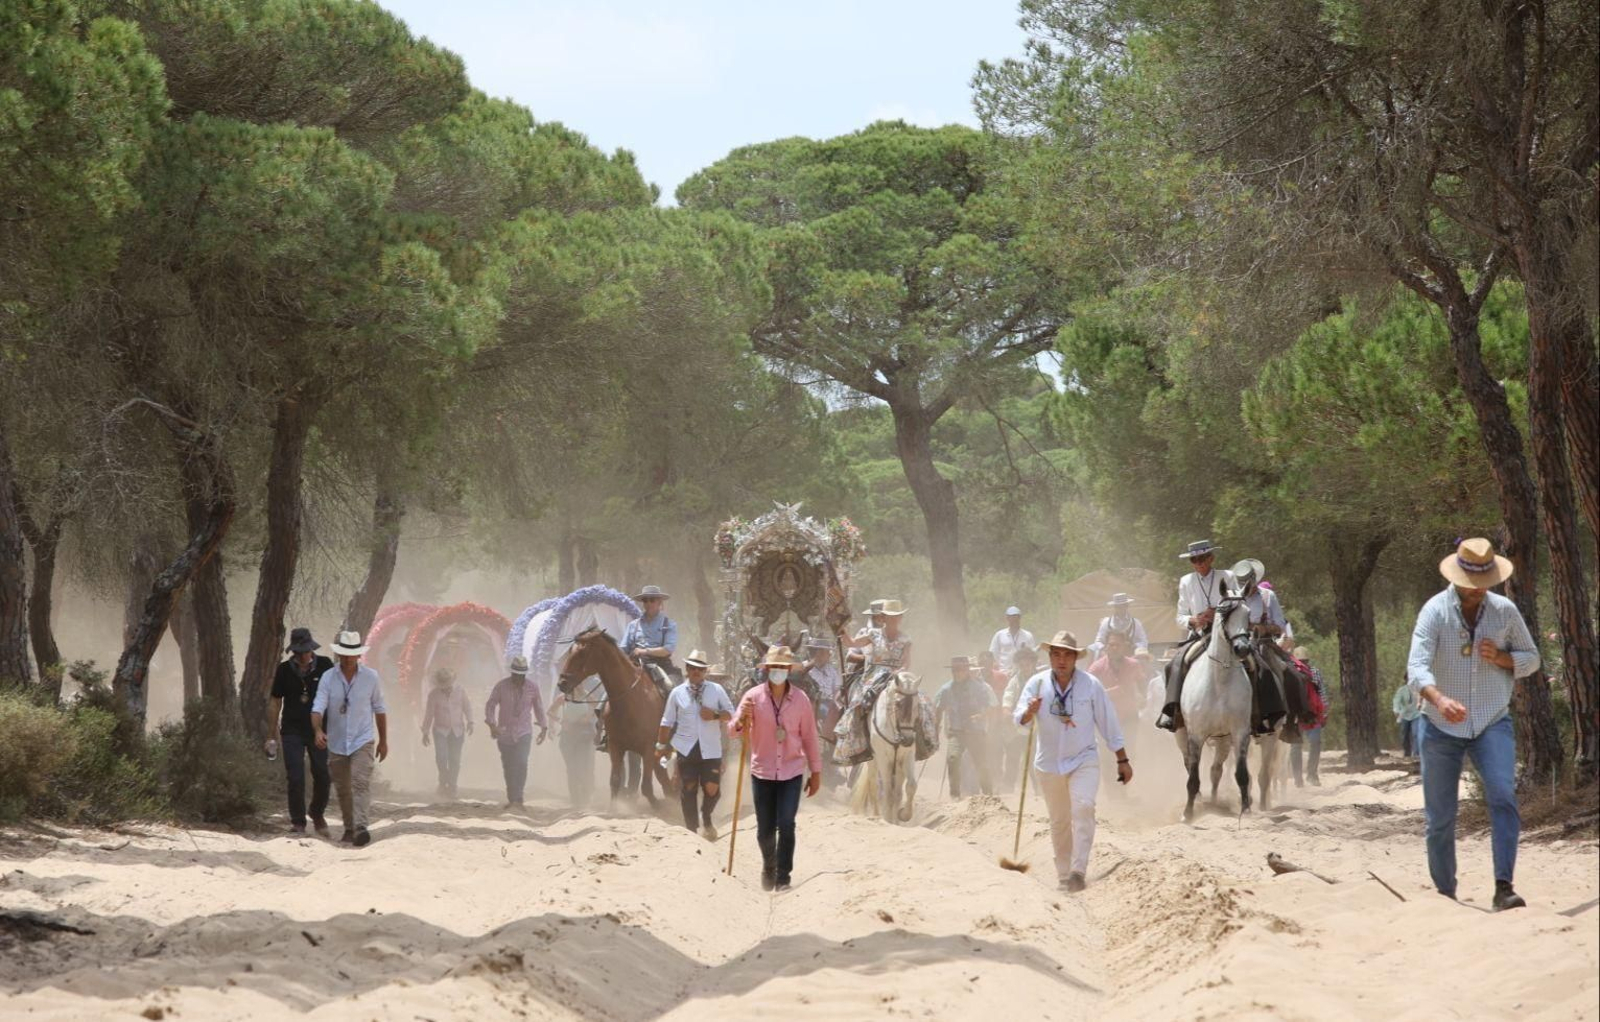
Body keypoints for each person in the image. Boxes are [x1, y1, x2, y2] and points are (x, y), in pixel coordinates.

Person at [1407, 537, 1539, 911]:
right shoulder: (1434, 611)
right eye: (1471, 582)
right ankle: (1445, 893)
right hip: (1437, 725)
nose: (1478, 590)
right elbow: (1416, 665)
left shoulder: (1505, 611)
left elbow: (1532, 658)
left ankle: (1504, 887)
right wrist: (1439, 698)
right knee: (1440, 817)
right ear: (1457, 576)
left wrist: (1502, 658)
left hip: (1491, 720)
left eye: (1484, 582)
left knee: (1503, 796)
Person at [1014, 631, 1133, 893]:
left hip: (1084, 759)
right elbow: (1018, 718)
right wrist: (1028, 712)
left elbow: (1108, 721)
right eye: (1056, 654)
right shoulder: (1036, 684)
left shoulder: (1091, 685)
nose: (1061, 660)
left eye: (1067, 654)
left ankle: (1079, 870)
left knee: (1083, 806)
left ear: (1076, 658)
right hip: (1048, 764)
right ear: (1049, 656)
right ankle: (1063, 873)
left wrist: (1121, 758)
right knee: (1058, 821)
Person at [730, 645, 822, 892]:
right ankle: (768, 866)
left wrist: (816, 771)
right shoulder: (752, 697)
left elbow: (810, 737)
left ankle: (783, 877)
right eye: (775, 667)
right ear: (767, 669)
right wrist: (741, 719)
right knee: (764, 829)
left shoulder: (801, 700)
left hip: (792, 770)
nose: (779, 671)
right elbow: (732, 730)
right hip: (762, 772)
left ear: (789, 670)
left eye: (783, 667)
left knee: (787, 823)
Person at [310, 629, 389, 847]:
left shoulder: (371, 677)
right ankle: (348, 827)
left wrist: (383, 740)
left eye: (350, 654)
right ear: (338, 655)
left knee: (360, 782)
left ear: (358, 655)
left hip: (362, 739)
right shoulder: (328, 677)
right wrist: (317, 730)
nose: (347, 658)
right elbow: (318, 707)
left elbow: (380, 709)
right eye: (343, 654)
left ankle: (361, 826)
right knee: (343, 788)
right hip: (336, 741)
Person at [1157, 540, 1239, 731]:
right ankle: (1172, 712)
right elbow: (1180, 616)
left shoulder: (1227, 576)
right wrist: (1193, 620)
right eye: (1194, 560)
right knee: (1173, 665)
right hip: (1199, 635)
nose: (1198, 563)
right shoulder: (1186, 581)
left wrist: (1218, 612)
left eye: (1202, 558)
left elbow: (1238, 605)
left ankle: (1261, 713)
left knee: (1255, 662)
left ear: (1211, 558)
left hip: (1226, 634)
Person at [656, 649, 735, 838]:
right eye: (692, 668)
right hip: (686, 749)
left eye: (700, 668)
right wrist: (660, 746)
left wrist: (715, 715)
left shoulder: (716, 690)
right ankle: (691, 830)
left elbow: (732, 713)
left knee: (712, 788)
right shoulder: (676, 693)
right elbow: (667, 721)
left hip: (711, 749)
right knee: (689, 787)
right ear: (687, 669)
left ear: (705, 671)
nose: (696, 672)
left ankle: (706, 818)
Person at [267, 627, 333, 836]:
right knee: (295, 775)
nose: (303, 655)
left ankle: (317, 811)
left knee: (322, 773)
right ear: (293, 651)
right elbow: (276, 701)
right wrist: (271, 733)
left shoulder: (325, 666)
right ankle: (298, 821)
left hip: (320, 729)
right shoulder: (284, 670)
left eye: (306, 650)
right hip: (292, 728)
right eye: (298, 651)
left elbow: (335, 695)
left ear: (311, 649)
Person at [484, 655, 549, 809]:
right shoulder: (501, 686)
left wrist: (544, 727)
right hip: (504, 733)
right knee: (509, 765)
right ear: (511, 673)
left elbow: (539, 707)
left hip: (524, 732)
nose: (518, 677)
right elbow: (491, 705)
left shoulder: (532, 687)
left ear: (524, 673)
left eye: (521, 674)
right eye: (516, 673)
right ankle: (512, 797)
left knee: (521, 762)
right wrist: (492, 725)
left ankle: (518, 798)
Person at [934, 656, 997, 797]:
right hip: (956, 732)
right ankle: (955, 794)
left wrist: (980, 716)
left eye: (961, 669)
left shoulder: (979, 687)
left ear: (967, 670)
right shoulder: (946, 689)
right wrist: (936, 727)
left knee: (981, 763)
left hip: (976, 732)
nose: (958, 673)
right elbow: (938, 709)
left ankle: (988, 793)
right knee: (952, 758)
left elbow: (991, 707)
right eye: (955, 670)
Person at [551, 672, 603, 809]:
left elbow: (598, 708)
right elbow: (550, 712)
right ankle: (575, 799)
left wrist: (588, 716)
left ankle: (586, 796)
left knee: (584, 767)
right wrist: (561, 722)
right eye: (576, 683)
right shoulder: (563, 698)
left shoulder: (587, 696)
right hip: (568, 737)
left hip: (585, 735)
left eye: (580, 682)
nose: (578, 685)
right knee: (572, 769)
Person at [420, 667, 473, 798]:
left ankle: (453, 785)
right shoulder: (433, 694)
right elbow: (429, 714)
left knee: (455, 759)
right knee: (441, 757)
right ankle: (443, 782)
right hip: (440, 730)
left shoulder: (460, 691)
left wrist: (471, 721)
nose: (445, 687)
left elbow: (467, 707)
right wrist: (425, 731)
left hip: (458, 729)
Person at [999, 645, 1039, 790]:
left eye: (1027, 663)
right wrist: (1006, 709)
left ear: (1033, 663)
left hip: (1036, 726)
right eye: (1021, 664)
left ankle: (1039, 789)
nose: (1024, 666)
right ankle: (1008, 787)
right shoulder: (1015, 680)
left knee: (1034, 759)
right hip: (1018, 725)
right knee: (1012, 757)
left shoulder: (1040, 679)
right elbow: (1008, 695)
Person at [623, 585, 680, 685]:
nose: (648, 603)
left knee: (672, 689)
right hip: (635, 665)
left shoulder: (669, 625)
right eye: (645, 600)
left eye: (652, 600)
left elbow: (667, 650)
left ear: (659, 602)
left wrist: (644, 651)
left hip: (661, 666)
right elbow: (623, 649)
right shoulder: (632, 625)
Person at [1287, 647, 1329, 786]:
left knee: (1314, 744)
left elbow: (1321, 692)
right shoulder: (1289, 673)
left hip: (1312, 714)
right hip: (1298, 715)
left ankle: (1312, 774)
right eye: (1301, 661)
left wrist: (1324, 712)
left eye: (1305, 661)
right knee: (1296, 747)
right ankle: (1298, 777)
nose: (1303, 663)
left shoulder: (1315, 672)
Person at [988, 606, 1036, 674]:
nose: (1014, 620)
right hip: (1004, 672)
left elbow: (1032, 655)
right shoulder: (999, 635)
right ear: (1007, 619)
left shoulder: (1028, 635)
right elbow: (993, 653)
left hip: (1022, 672)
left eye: (1016, 617)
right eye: (1011, 618)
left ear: (1020, 618)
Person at [1393, 678, 1422, 760]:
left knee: (1416, 733)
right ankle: (1407, 753)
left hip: (1416, 714)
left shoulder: (1419, 689)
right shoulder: (1402, 690)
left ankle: (1416, 754)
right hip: (1404, 715)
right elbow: (1396, 701)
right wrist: (1396, 710)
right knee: (1404, 735)